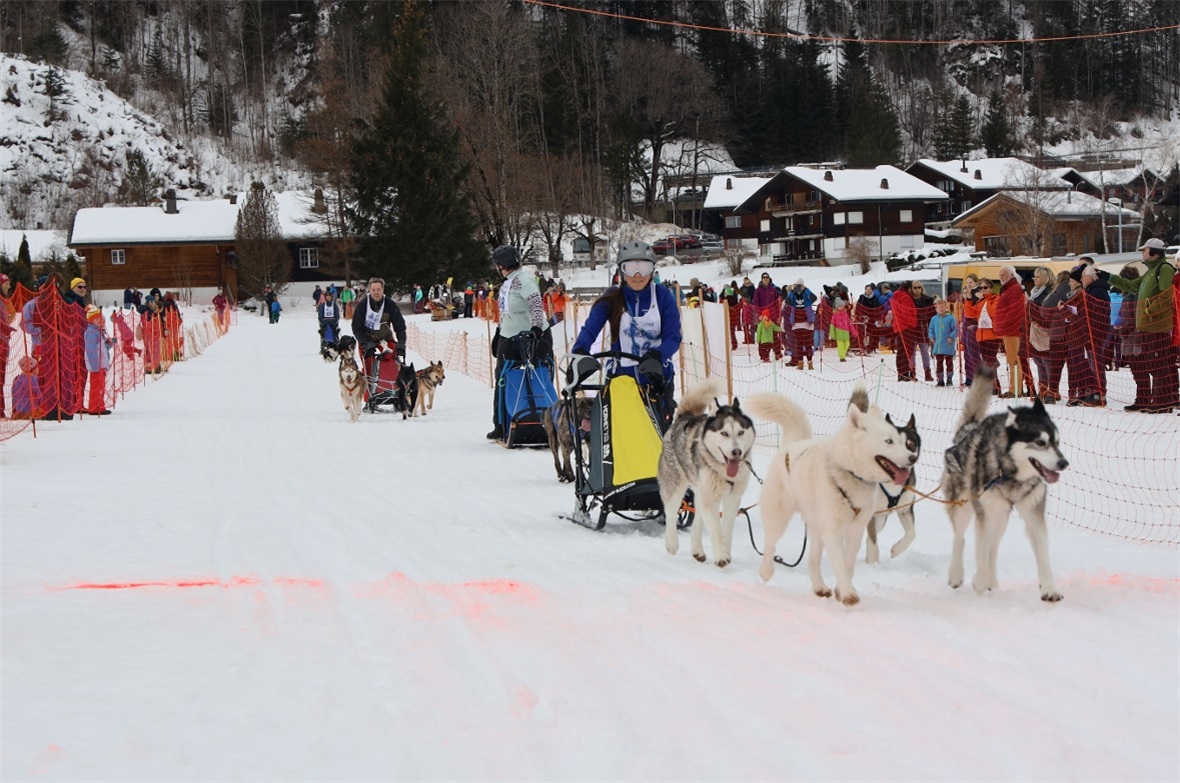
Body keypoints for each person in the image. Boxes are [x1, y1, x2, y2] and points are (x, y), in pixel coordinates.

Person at [569, 241, 681, 425]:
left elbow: (673, 336)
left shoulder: (662, 296)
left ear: (652, 271)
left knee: (657, 437)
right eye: (630, 268)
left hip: (656, 378)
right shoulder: (612, 297)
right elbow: (590, 329)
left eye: (644, 267)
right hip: (621, 377)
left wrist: (658, 354)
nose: (638, 275)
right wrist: (580, 351)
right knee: (622, 435)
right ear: (622, 271)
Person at [1096, 237, 1178, 413]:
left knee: (1158, 365)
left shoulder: (1164, 269)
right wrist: (1107, 276)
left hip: (1157, 327)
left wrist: (1148, 310)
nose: (1142, 252)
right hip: (1146, 327)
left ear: (1154, 252)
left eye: (1145, 250)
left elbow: (1166, 295)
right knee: (1150, 364)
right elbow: (1130, 285)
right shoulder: (1150, 272)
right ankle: (1155, 400)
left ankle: (1163, 401)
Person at [487, 245, 552, 439]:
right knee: (503, 377)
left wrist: (536, 328)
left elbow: (536, 305)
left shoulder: (524, 280)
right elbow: (506, 310)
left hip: (534, 336)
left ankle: (545, 417)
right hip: (510, 336)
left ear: (502, 265)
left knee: (540, 374)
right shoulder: (507, 282)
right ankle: (500, 422)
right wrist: (499, 332)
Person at [351, 277, 408, 361]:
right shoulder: (362, 306)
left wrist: (401, 343)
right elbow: (357, 327)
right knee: (369, 363)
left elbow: (400, 325)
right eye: (373, 290)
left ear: (382, 290)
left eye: (378, 289)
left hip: (385, 338)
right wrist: (366, 342)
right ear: (369, 290)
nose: (376, 292)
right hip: (367, 340)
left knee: (391, 359)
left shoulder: (390, 304)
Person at [994, 265, 1029, 398]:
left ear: (1011, 275)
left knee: (1014, 359)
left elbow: (1014, 311)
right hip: (1007, 329)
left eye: (1004, 274)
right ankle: (1014, 388)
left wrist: (1003, 325)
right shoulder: (1008, 289)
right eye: (1000, 275)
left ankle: (1015, 390)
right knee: (1011, 359)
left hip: (1012, 330)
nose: (1001, 277)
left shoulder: (1013, 289)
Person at [82, 305, 112, 415]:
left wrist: (109, 344)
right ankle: (95, 407)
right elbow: (90, 350)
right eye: (97, 319)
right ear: (91, 320)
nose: (100, 321)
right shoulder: (91, 332)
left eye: (101, 319)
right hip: (96, 365)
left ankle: (100, 405)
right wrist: (95, 365)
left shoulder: (98, 331)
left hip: (101, 364)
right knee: (96, 386)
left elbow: (102, 348)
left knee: (101, 386)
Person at [783, 278, 816, 369]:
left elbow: (814, 298)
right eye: (797, 286)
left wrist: (805, 289)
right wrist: (792, 291)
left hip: (807, 322)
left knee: (808, 344)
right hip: (797, 323)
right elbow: (787, 302)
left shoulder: (806, 293)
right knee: (799, 344)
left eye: (799, 286)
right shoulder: (793, 295)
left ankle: (810, 363)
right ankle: (800, 363)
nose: (798, 288)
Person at [890, 281, 919, 381]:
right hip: (907, 327)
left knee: (901, 351)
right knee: (907, 350)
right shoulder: (905, 297)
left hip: (898, 326)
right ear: (909, 288)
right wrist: (913, 323)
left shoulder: (895, 295)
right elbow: (907, 312)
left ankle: (901, 372)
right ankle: (904, 373)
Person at [928, 298, 958, 386]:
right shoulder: (934, 319)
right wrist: (931, 336)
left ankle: (949, 379)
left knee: (949, 362)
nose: (941, 308)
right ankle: (940, 379)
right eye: (939, 307)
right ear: (936, 308)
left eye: (943, 307)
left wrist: (951, 337)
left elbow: (956, 329)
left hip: (948, 344)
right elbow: (931, 329)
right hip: (938, 345)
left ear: (946, 307)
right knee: (939, 362)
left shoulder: (951, 318)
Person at [911, 281, 935, 381]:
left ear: (922, 288)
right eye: (915, 287)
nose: (917, 289)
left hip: (923, 328)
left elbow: (932, 315)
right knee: (911, 352)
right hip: (912, 329)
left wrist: (931, 329)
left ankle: (927, 372)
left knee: (924, 351)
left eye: (919, 287)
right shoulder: (909, 299)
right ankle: (912, 372)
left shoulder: (928, 300)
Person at [828, 297, 856, 361]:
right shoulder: (835, 315)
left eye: (842, 306)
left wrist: (853, 332)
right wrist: (832, 334)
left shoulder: (845, 314)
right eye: (839, 306)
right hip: (839, 333)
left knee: (847, 344)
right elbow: (832, 325)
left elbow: (850, 324)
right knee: (840, 346)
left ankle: (843, 353)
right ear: (837, 307)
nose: (841, 308)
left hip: (846, 332)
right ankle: (842, 357)